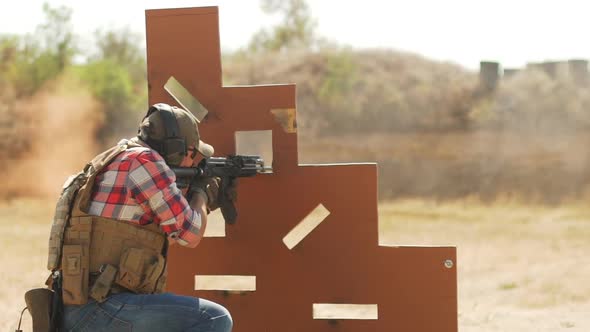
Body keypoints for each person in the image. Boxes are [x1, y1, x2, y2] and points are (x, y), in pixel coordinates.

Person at [46, 103, 233, 332]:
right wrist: (202, 193)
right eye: (191, 153)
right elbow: (190, 235)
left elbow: (160, 237)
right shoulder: (145, 162)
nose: (190, 162)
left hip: (75, 307)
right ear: (175, 148)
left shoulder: (115, 157)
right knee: (213, 318)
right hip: (99, 309)